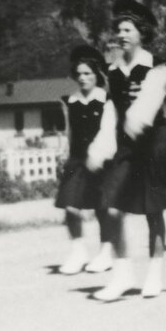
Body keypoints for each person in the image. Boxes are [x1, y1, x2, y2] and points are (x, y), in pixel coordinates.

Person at [90, 0, 166, 301]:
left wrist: (134, 121)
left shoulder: (157, 67)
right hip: (126, 148)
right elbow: (111, 109)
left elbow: (149, 104)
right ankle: (123, 274)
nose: (121, 35)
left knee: (153, 211)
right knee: (111, 208)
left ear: (142, 33)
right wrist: (101, 145)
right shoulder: (112, 71)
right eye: (119, 30)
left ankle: (154, 273)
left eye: (128, 30)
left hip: (153, 145)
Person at [55, 45, 115, 275]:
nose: (83, 78)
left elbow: (109, 131)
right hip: (77, 160)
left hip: (102, 161)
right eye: (79, 74)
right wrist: (65, 153)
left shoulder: (106, 100)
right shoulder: (70, 101)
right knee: (71, 206)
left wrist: (99, 155)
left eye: (87, 73)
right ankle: (78, 251)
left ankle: (106, 252)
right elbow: (69, 131)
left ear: (96, 75)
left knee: (102, 208)